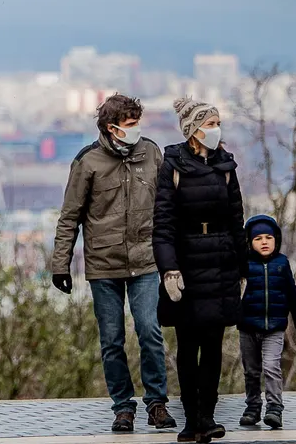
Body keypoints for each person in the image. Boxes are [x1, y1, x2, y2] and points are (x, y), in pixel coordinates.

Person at [48, 94, 176, 433]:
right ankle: (123, 407)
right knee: (112, 338)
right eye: (130, 125)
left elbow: (167, 206)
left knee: (150, 331)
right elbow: (70, 216)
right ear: (112, 127)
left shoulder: (151, 152)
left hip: (146, 261)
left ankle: (157, 403)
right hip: (103, 265)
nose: (136, 130)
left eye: (137, 123)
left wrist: (174, 256)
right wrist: (60, 264)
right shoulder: (87, 162)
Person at [154, 98, 246, 443]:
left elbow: (237, 219)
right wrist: (169, 270)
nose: (216, 129)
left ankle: (208, 415)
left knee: (213, 344)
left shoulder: (225, 166)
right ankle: (191, 418)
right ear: (193, 130)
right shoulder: (173, 165)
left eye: (217, 122)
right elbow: (162, 224)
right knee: (188, 343)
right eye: (210, 123)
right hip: (187, 263)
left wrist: (243, 268)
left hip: (220, 261)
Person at [237, 214, 296, 430]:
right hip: (247, 327)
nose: (264, 242)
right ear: (250, 242)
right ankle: (252, 407)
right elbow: (231, 293)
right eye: (258, 239)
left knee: (271, 367)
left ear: (276, 239)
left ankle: (275, 408)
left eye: (269, 237)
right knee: (251, 371)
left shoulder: (282, 263)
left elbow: (292, 294)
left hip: (274, 328)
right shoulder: (244, 264)